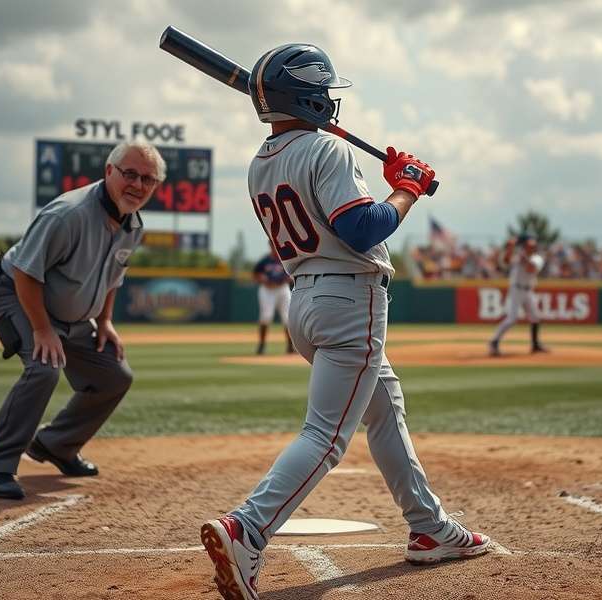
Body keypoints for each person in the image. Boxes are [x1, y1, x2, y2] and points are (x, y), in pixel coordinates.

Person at [200, 44, 490, 600]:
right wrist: (405, 189)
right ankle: (248, 529)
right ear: (307, 93)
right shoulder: (325, 150)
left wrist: (392, 181)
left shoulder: (261, 160)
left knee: (385, 409)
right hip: (348, 301)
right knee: (326, 436)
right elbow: (364, 229)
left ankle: (430, 529)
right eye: (324, 90)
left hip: (306, 302)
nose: (332, 101)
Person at [0, 142, 166, 500]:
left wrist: (105, 321)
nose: (138, 184)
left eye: (148, 179)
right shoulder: (69, 214)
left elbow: (113, 278)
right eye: (130, 174)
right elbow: (26, 274)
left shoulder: (132, 224)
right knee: (43, 367)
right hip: (15, 294)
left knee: (114, 376)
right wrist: (43, 330)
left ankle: (55, 445)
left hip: (71, 316)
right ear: (109, 171)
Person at [489, 234, 549, 356]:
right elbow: (505, 262)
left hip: (528, 291)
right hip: (516, 290)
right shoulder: (517, 256)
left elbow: (531, 269)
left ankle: (535, 345)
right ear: (524, 246)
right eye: (529, 245)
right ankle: (494, 342)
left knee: (536, 317)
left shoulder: (538, 257)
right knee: (512, 319)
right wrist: (510, 248)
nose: (531, 247)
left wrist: (523, 258)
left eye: (533, 245)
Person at [252, 241, 294, 355]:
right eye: (272, 245)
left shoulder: (285, 259)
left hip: (282, 289)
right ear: (270, 246)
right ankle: (261, 345)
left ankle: (290, 346)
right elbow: (255, 275)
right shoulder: (265, 261)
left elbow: (292, 275)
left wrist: (287, 278)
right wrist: (262, 278)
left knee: (288, 318)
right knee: (266, 317)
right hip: (268, 290)